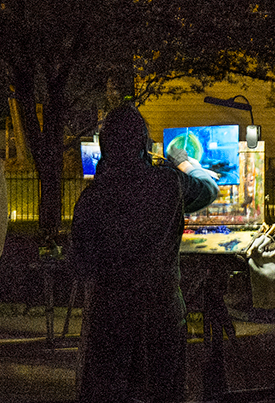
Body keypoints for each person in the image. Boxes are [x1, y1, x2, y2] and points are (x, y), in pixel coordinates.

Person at [69, 104, 219, 403]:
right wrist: (185, 162)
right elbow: (209, 189)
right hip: (161, 313)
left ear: (104, 146)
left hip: (109, 319)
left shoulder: (93, 198)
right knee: (164, 392)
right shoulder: (166, 183)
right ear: (144, 144)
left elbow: (80, 265)